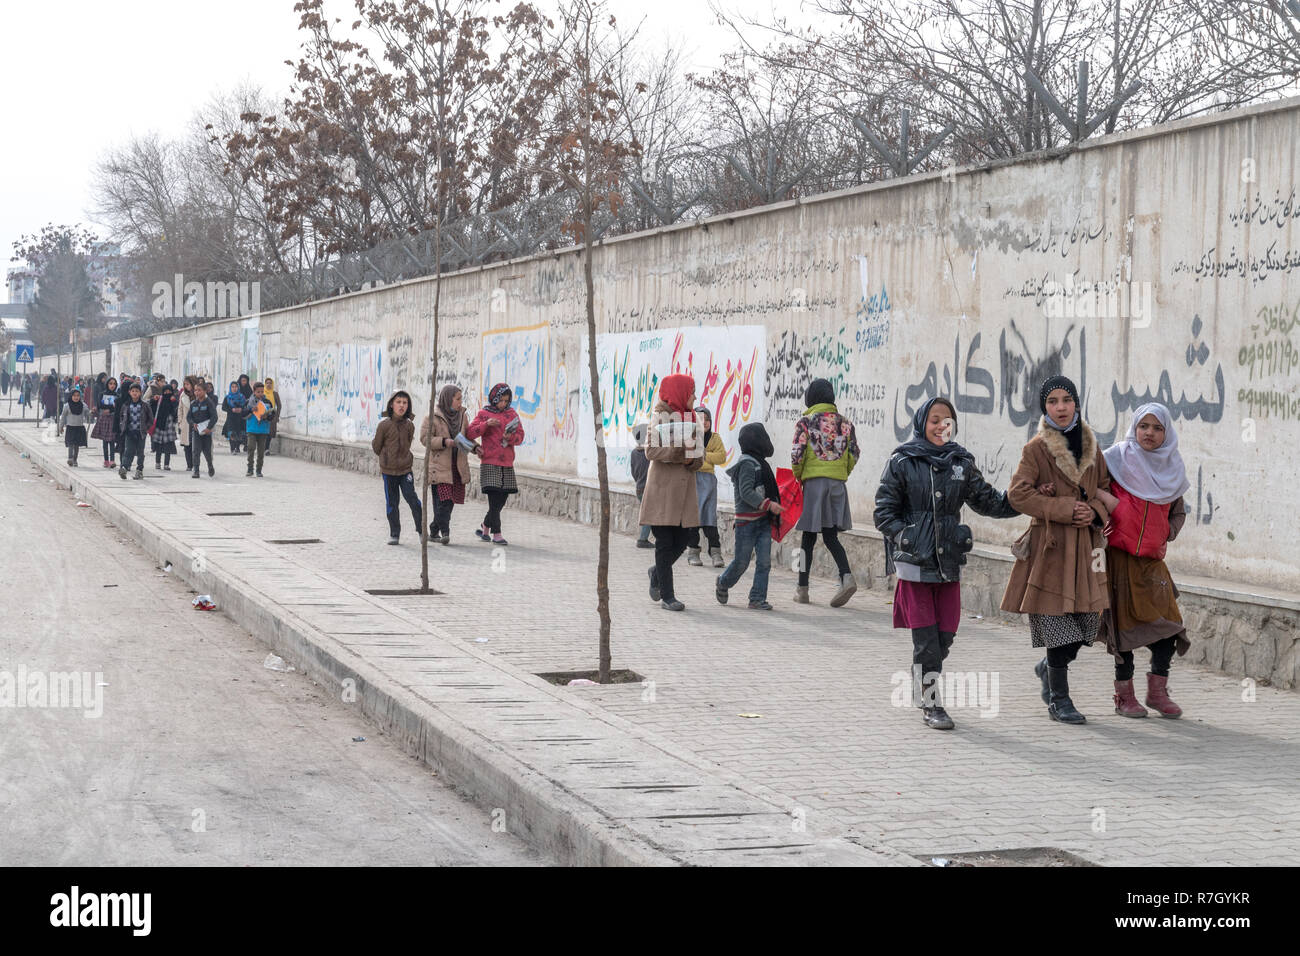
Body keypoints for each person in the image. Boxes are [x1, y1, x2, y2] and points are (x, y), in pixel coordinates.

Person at [874, 397, 1020, 730]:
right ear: (923, 421)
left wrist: (1023, 498)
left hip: (949, 562)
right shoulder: (902, 461)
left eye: (948, 420)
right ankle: (932, 704)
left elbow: (989, 501)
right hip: (915, 564)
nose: (942, 425)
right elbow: (883, 513)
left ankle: (921, 682)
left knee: (945, 635)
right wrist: (906, 537)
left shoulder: (961, 462)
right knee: (926, 639)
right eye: (935, 419)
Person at [1000, 376, 1112, 725]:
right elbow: (1018, 494)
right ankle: (1060, 700)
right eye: (1053, 401)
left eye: (1067, 400)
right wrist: (1064, 508)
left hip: (1086, 550)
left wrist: (1093, 512)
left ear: (1076, 403)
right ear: (1044, 407)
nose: (1061, 407)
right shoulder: (1036, 449)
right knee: (1058, 623)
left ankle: (1047, 668)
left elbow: (1105, 488)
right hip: (1051, 550)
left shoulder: (1092, 445)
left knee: (1086, 625)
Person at [1099, 403, 1192, 718]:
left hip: (1153, 563)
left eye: (1157, 428)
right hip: (1118, 559)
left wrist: (1167, 531)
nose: (1149, 433)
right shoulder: (1114, 460)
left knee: (1168, 628)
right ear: (1134, 428)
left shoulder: (1172, 469)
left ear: (1166, 434)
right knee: (1123, 631)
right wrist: (1102, 517)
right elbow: (1090, 492)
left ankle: (1157, 692)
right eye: (1143, 426)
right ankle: (1125, 697)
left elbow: (1178, 510)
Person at [790, 378, 859, 607]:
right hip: (837, 484)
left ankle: (802, 588)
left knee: (806, 539)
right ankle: (846, 576)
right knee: (831, 536)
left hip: (813, 485)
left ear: (810, 397)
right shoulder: (846, 423)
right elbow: (854, 453)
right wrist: (842, 472)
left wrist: (799, 475)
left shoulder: (806, 422)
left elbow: (797, 454)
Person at [638, 373, 704, 612]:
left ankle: (656, 571)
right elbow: (651, 451)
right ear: (680, 392)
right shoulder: (660, 416)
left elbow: (700, 456)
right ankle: (668, 596)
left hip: (685, 493)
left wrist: (691, 458)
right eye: (692, 391)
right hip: (663, 492)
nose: (695, 397)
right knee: (664, 543)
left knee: (684, 539)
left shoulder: (694, 419)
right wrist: (678, 451)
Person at [715, 423, 783, 610]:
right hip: (746, 523)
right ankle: (723, 582)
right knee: (741, 562)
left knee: (764, 562)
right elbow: (746, 492)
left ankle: (757, 598)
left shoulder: (761, 463)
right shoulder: (747, 463)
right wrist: (768, 504)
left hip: (763, 522)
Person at [465, 383, 525, 545]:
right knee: (494, 498)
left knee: (501, 499)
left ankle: (485, 525)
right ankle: (496, 534)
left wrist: (510, 438)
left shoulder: (512, 414)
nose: (504, 404)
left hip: (507, 463)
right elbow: (470, 433)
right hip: (489, 462)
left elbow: (521, 436)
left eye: (506, 401)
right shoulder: (484, 414)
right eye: (501, 400)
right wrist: (486, 425)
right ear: (494, 398)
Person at [421, 384, 482, 544]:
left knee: (451, 501)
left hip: (457, 466)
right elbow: (424, 439)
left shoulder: (462, 416)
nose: (460, 402)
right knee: (443, 500)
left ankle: (434, 529)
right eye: (457, 399)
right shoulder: (432, 417)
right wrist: (444, 441)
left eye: (461, 399)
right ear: (448, 399)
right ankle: (445, 532)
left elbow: (467, 436)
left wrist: (475, 447)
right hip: (440, 466)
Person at [371, 390, 423, 544]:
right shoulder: (384, 426)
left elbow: (408, 442)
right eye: (398, 402)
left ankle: (421, 531)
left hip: (405, 470)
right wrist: (387, 457)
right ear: (392, 404)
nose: (402, 405)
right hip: (389, 471)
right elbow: (376, 447)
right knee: (392, 503)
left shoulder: (409, 425)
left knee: (412, 499)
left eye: (405, 403)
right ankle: (394, 533)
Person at [685, 407, 726, 567]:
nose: (704, 423)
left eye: (707, 419)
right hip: (691, 480)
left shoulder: (715, 438)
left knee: (710, 519)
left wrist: (702, 454)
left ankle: (715, 553)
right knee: (693, 519)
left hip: (708, 483)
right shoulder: (689, 437)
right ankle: (693, 553)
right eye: (700, 420)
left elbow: (721, 457)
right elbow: (687, 456)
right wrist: (707, 456)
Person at [116, 381, 155, 480]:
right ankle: (124, 467)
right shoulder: (126, 405)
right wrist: (122, 427)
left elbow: (151, 419)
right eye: (133, 391)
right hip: (129, 432)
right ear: (129, 392)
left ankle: (139, 470)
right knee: (128, 450)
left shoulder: (144, 405)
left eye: (137, 391)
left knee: (140, 452)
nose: (134, 393)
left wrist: (146, 428)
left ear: (140, 392)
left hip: (141, 433)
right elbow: (121, 417)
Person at [242, 381, 276, 477]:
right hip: (251, 429)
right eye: (258, 392)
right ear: (254, 392)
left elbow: (272, 415)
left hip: (263, 430)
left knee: (261, 451)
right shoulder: (249, 402)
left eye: (262, 392)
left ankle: (259, 470)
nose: (260, 394)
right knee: (251, 448)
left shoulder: (267, 402)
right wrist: (250, 410)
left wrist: (267, 416)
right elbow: (243, 413)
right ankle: (250, 469)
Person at [630, 422, 653, 549]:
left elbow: (633, 472)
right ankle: (642, 539)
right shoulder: (649, 454)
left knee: (648, 513)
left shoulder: (634, 453)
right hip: (648, 488)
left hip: (639, 487)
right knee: (648, 515)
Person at [188, 382, 218, 478]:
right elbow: (188, 417)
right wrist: (193, 424)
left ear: (205, 391)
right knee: (195, 451)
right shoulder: (193, 404)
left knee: (207, 451)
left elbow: (214, 416)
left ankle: (210, 465)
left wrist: (209, 428)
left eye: (199, 390)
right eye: (195, 390)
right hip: (196, 431)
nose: (197, 392)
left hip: (206, 432)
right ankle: (196, 470)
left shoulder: (209, 402)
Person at [59, 388, 93, 467]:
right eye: (74, 396)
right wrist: (61, 427)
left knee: (76, 445)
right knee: (70, 444)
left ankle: (75, 460)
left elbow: (88, 414)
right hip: (70, 428)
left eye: (78, 396)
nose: (76, 397)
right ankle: (70, 458)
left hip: (79, 428)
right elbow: (63, 417)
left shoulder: (83, 405)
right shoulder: (66, 406)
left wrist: (91, 412)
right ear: (71, 396)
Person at [150, 383, 179, 470]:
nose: (167, 393)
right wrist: (153, 400)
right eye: (165, 391)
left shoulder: (173, 400)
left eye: (169, 391)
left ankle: (166, 464)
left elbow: (175, 412)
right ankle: (157, 463)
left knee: (168, 447)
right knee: (158, 447)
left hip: (169, 426)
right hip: (159, 426)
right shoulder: (159, 400)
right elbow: (152, 407)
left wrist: (174, 401)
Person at [91, 377, 119, 467]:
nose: (112, 385)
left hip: (113, 419)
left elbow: (117, 406)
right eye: (110, 383)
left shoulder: (117, 395)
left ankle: (112, 460)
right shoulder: (102, 394)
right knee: (105, 441)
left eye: (114, 384)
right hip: (103, 418)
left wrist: (110, 409)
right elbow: (100, 405)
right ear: (107, 384)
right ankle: (106, 460)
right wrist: (111, 406)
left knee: (112, 440)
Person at [222, 382, 247, 454]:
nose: (234, 388)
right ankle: (232, 449)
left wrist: (241, 409)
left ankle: (237, 447)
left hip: (240, 419)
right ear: (230, 388)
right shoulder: (227, 398)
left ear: (238, 388)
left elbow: (245, 406)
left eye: (236, 387)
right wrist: (231, 410)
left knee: (240, 434)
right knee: (232, 433)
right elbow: (223, 407)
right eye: (232, 387)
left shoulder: (242, 397)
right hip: (231, 418)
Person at [178, 377, 195, 472]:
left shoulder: (198, 393)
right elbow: (180, 409)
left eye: (188, 384)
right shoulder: (183, 395)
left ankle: (195, 464)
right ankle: (189, 465)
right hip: (186, 423)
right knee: (187, 446)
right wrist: (180, 422)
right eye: (185, 384)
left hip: (196, 423)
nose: (186, 386)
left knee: (195, 446)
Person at [263, 376, 281, 455]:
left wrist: (277, 416)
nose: (268, 385)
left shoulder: (275, 394)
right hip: (263, 416)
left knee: (269, 433)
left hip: (271, 416)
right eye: (267, 383)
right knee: (263, 432)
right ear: (265, 384)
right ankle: (263, 447)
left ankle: (266, 449)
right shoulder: (262, 393)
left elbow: (279, 405)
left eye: (270, 383)